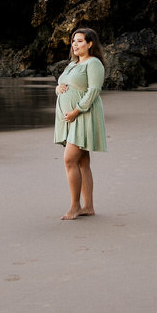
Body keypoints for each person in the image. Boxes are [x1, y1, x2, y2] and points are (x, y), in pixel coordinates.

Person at [54, 27, 106, 220]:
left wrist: (76, 111)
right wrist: (58, 89)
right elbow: (64, 85)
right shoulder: (72, 64)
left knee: (70, 160)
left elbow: (93, 91)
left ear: (90, 44)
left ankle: (75, 206)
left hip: (83, 115)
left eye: (80, 41)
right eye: (73, 41)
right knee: (83, 162)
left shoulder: (93, 64)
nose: (75, 44)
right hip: (70, 118)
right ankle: (89, 207)